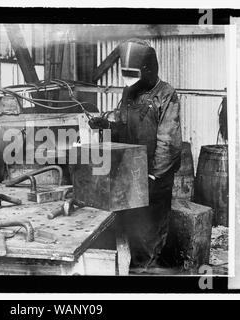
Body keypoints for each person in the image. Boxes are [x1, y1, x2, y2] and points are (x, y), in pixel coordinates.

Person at [89, 39, 182, 269]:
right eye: (126, 73)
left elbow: (168, 143)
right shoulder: (129, 91)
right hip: (131, 173)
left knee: (148, 234)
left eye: (133, 73)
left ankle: (146, 277)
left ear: (149, 69)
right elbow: (124, 127)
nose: (129, 79)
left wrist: (153, 177)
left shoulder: (166, 94)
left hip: (154, 179)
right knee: (129, 229)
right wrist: (107, 126)